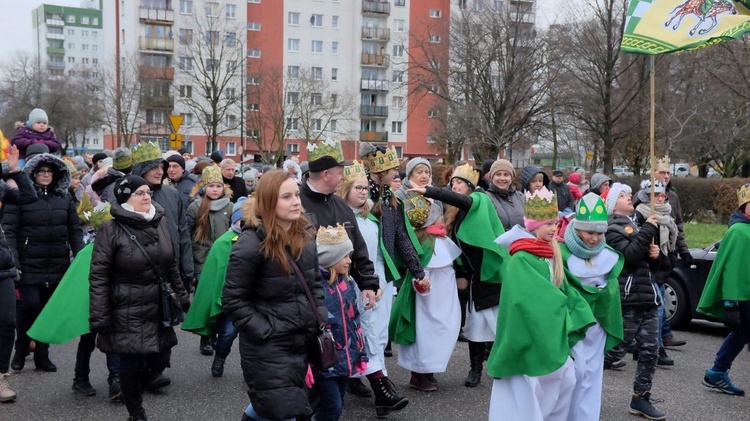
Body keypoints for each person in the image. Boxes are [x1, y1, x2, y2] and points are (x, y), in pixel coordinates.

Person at [222, 170, 325, 421]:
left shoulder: (304, 234)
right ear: (269, 201)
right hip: (269, 348)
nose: (296, 202)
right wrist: (265, 330)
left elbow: (314, 285)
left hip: (302, 341)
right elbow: (233, 299)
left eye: (297, 195)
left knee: (275, 406)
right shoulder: (250, 243)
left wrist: (319, 314)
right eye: (286, 197)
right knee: (285, 410)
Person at [489, 187, 594, 421]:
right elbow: (524, 298)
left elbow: (563, 287)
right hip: (529, 335)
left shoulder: (550, 253)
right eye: (548, 224)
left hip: (549, 330)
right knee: (533, 386)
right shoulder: (521, 258)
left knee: (566, 380)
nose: (553, 228)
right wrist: (560, 303)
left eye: (555, 223)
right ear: (534, 225)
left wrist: (577, 304)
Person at [89, 175, 190, 421]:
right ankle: (137, 413)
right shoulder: (110, 229)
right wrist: (100, 315)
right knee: (131, 364)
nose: (147, 197)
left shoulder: (160, 222)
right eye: (140, 193)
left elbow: (171, 265)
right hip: (126, 307)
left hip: (158, 306)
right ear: (125, 198)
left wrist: (182, 297)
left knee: (160, 358)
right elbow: (99, 276)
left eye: (148, 192)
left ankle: (138, 397)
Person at [405, 163, 506, 388]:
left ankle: (504, 365)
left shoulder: (480, 199)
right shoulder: (451, 211)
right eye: (452, 183)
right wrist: (461, 272)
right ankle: (476, 369)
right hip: (471, 275)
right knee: (476, 323)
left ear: (470, 186)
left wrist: (430, 191)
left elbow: (465, 202)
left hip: (490, 271)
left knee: (498, 322)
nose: (454, 186)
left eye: (459, 182)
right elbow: (454, 245)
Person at [4, 153, 84, 373]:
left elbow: (74, 230)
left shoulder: (64, 197)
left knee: (49, 311)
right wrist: (14, 260)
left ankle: (42, 354)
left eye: (49, 171)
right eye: (41, 171)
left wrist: (79, 256)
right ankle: (21, 348)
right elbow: (9, 230)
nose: (46, 175)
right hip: (29, 262)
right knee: (29, 306)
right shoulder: (21, 196)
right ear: (33, 174)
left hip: (57, 263)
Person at [393, 157, 461, 392]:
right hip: (420, 259)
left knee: (443, 319)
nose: (423, 175)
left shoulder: (434, 197)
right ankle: (418, 371)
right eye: (418, 171)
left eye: (426, 172)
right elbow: (399, 232)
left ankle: (431, 366)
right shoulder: (400, 197)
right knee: (423, 320)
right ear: (409, 175)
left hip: (440, 258)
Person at [602, 183, 667, 421]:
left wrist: (657, 256)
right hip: (628, 298)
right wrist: (648, 229)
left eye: (629, 194)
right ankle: (579, 381)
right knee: (615, 351)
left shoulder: (637, 224)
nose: (629, 198)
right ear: (612, 204)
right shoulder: (610, 229)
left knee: (650, 350)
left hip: (648, 297)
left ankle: (641, 397)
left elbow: (652, 263)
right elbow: (628, 256)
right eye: (622, 195)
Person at [336, 161, 400, 401]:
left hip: (376, 282)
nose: (363, 192)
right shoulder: (339, 220)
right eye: (357, 188)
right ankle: (368, 384)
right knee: (356, 333)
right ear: (345, 190)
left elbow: (380, 254)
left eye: (365, 188)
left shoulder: (372, 219)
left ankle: (380, 384)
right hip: (351, 284)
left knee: (378, 334)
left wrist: (379, 283)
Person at [561, 193, 624, 421]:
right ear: (577, 229)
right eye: (589, 232)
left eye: (599, 233)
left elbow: (612, 285)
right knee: (574, 373)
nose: (595, 238)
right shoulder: (562, 254)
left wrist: (604, 292)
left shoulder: (607, 255)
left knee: (592, 374)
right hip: (575, 324)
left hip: (597, 325)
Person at [183, 197, 247, 377]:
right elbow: (215, 274)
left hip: (253, 298)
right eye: (242, 219)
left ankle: (250, 369)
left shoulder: (258, 239)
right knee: (227, 334)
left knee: (253, 339)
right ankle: (220, 357)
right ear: (235, 220)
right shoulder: (223, 242)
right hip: (232, 298)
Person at [696, 183, 750, 396]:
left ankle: (717, 371)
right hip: (743, 296)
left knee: (741, 333)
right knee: (741, 332)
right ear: (744, 205)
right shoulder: (738, 232)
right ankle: (717, 371)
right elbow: (731, 270)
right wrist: (731, 304)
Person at [312, 224, 368, 421]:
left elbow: (355, 321)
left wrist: (361, 352)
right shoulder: (315, 287)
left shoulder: (347, 282)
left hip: (346, 356)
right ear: (331, 257)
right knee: (331, 406)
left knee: (339, 405)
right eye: (345, 256)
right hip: (324, 359)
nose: (349, 261)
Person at [0, 145, 37, 403]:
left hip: (1, 265)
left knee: (6, 321)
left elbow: (27, 197)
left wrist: (15, 171)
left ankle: (1, 377)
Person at [187, 165, 233, 356]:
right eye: (211, 186)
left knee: (221, 299)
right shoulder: (196, 207)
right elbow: (188, 235)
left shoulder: (230, 207)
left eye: (218, 186)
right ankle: (205, 338)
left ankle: (216, 333)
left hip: (224, 260)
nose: (215, 189)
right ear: (203, 187)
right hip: (202, 260)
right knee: (205, 298)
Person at [634, 180, 680, 366]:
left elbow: (672, 243)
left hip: (662, 268)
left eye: (663, 195)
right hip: (647, 270)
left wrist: (670, 261)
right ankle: (656, 348)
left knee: (654, 313)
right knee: (656, 312)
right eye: (657, 196)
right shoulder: (640, 214)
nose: (661, 198)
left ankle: (644, 347)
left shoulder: (668, 216)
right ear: (648, 197)